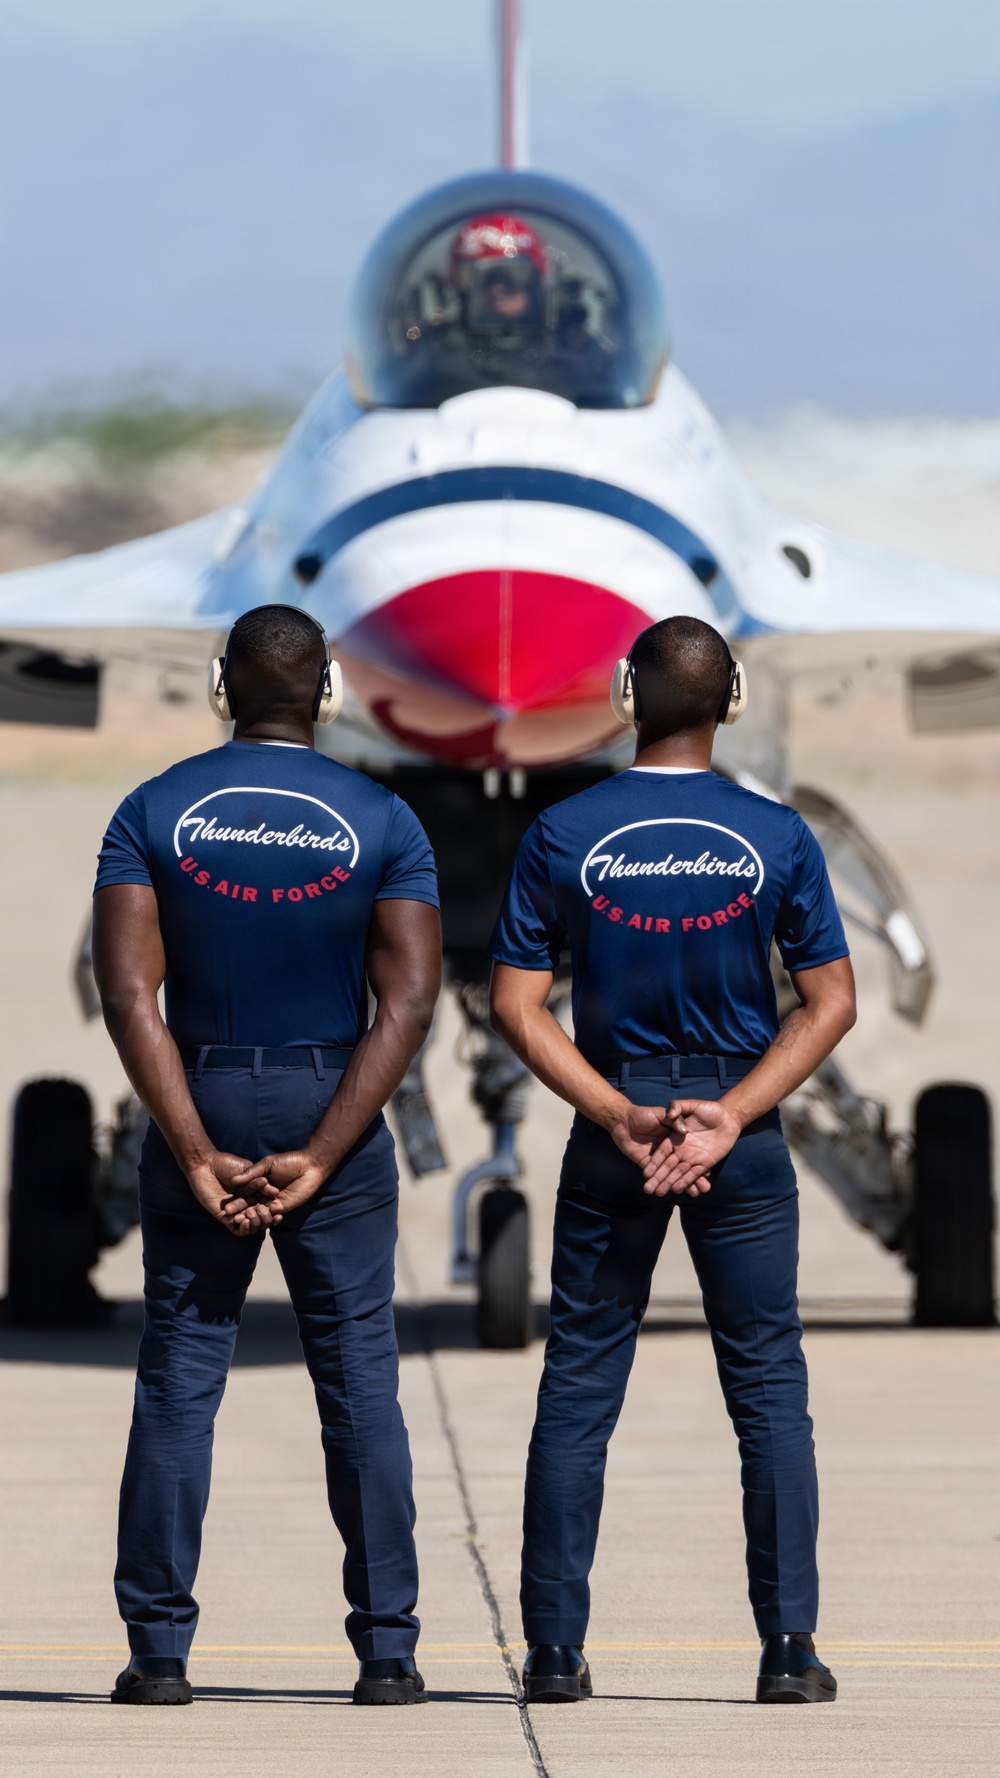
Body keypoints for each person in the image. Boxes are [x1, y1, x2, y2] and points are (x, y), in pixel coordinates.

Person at [488, 615, 856, 1706]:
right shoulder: (777, 833)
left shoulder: (563, 829)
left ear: (621, 693)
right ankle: (788, 1649)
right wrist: (730, 1113)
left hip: (619, 1134)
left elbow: (516, 1005)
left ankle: (554, 1650)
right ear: (730, 698)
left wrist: (616, 1110)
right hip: (736, 1134)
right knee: (768, 1390)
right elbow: (830, 1002)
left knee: (578, 1383)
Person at [92, 604, 441, 1708]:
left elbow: (126, 990)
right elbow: (412, 995)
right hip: (329, 1093)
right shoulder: (386, 815)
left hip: (199, 1086)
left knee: (179, 1382)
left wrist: (191, 1144)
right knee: (360, 1385)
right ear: (327, 692)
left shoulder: (150, 809)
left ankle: (158, 1653)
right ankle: (387, 1652)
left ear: (219, 684)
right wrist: (327, 1149)